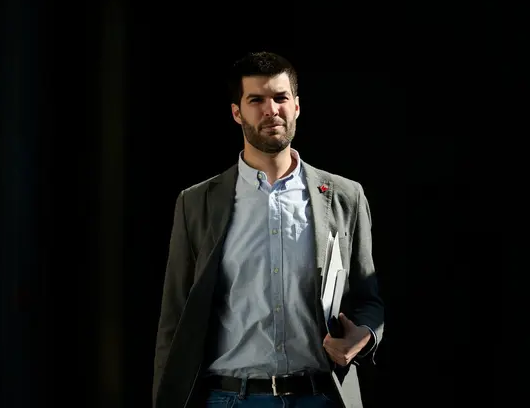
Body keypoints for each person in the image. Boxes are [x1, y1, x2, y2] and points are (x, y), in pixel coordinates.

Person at [152, 51, 385, 408]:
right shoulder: (197, 202)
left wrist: (364, 335)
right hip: (230, 398)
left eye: (280, 98)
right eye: (256, 100)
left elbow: (369, 299)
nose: (270, 110)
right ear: (236, 112)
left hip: (319, 396)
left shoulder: (344, 196)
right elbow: (175, 318)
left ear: (296, 106)